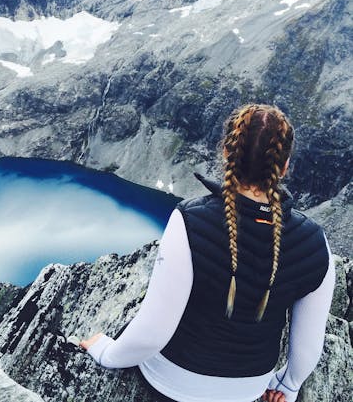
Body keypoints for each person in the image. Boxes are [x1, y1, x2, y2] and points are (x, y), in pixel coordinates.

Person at [79, 103, 335, 402]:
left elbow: (152, 333)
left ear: (227, 152)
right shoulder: (315, 241)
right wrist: (288, 386)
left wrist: (105, 352)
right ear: (285, 165)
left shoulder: (190, 219)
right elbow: (307, 349)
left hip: (170, 380)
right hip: (249, 388)